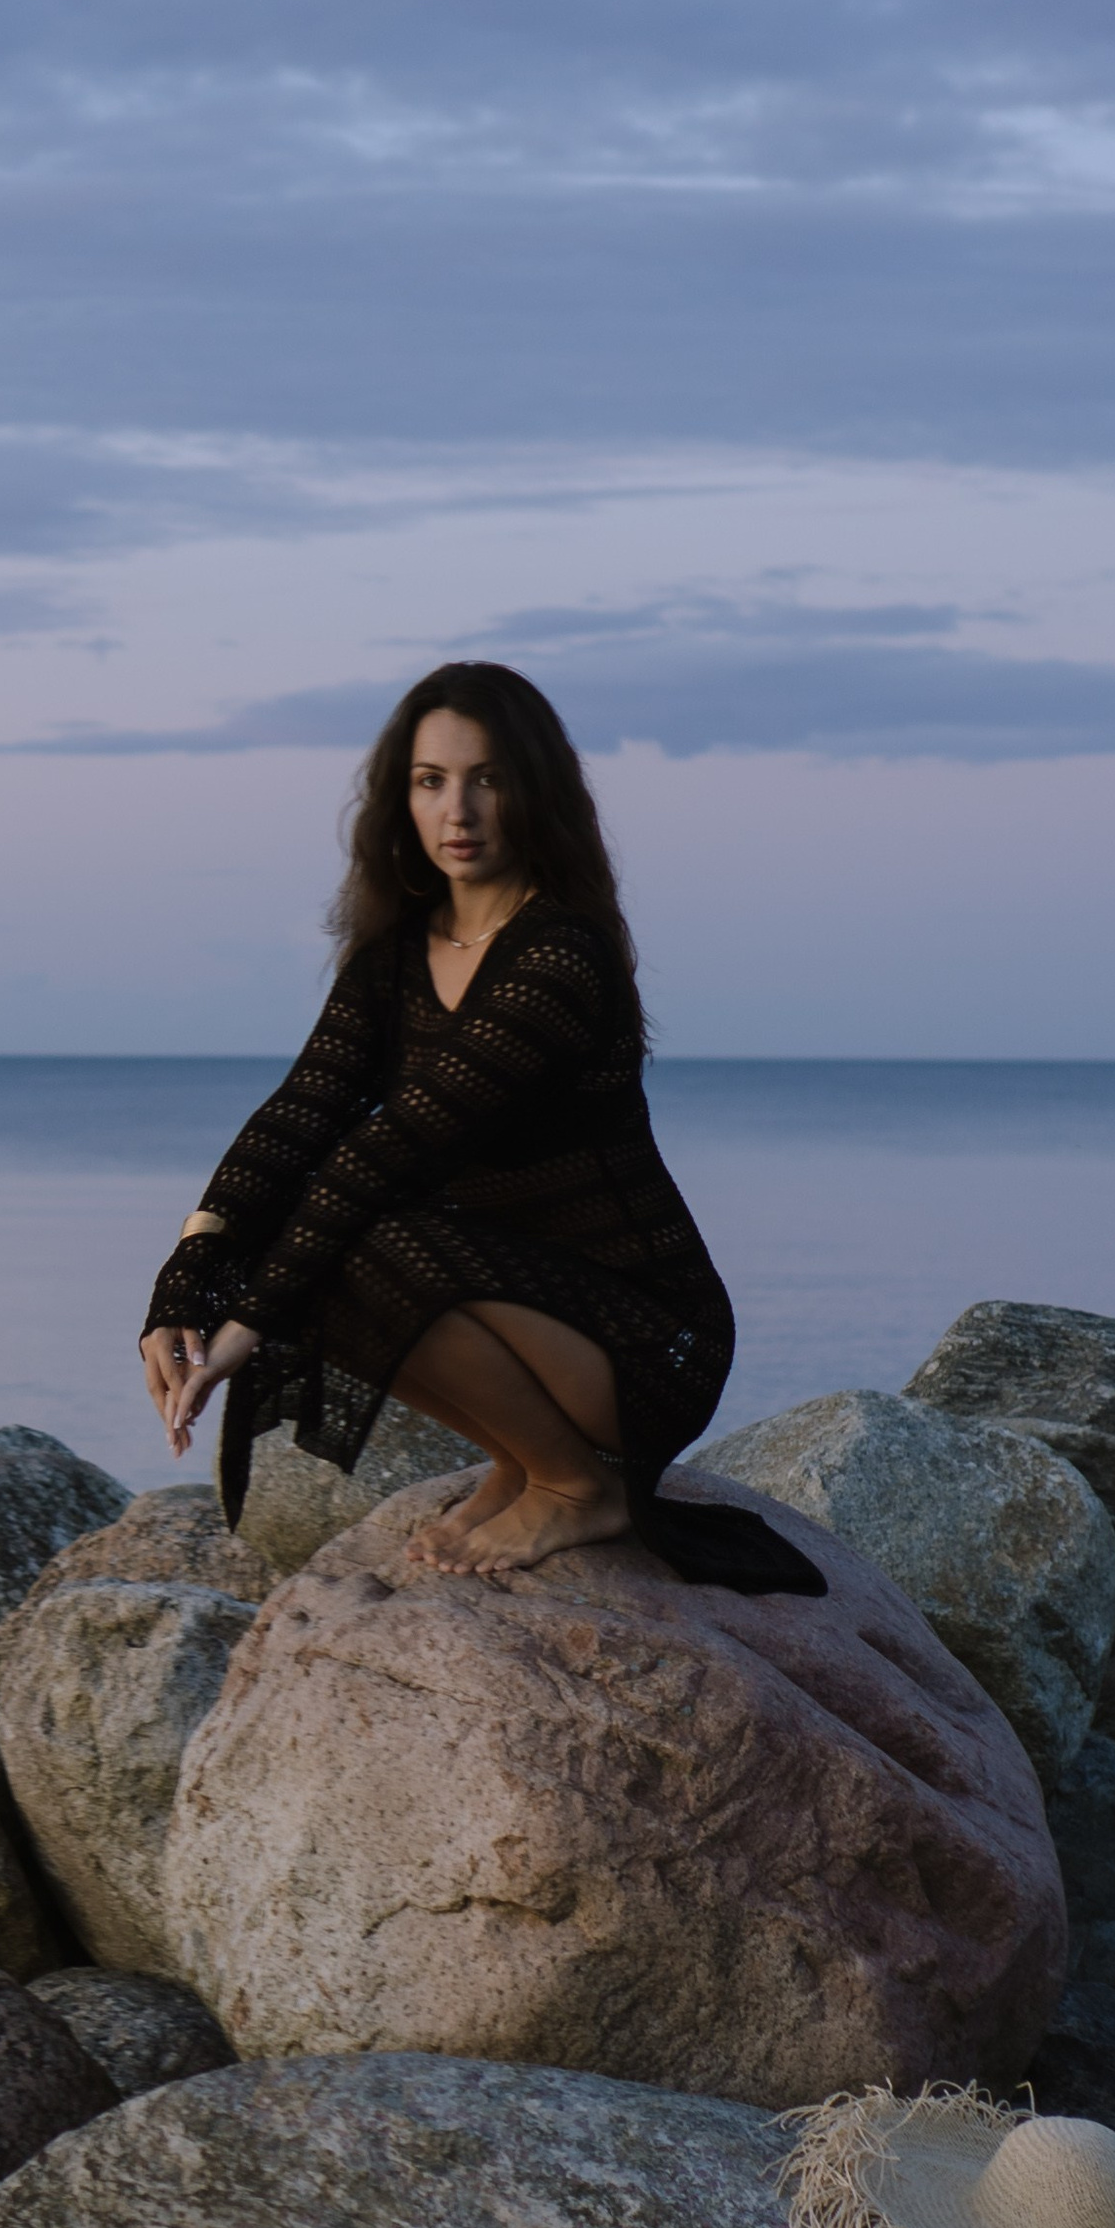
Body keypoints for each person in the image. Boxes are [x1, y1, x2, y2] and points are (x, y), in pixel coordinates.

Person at [139, 660, 822, 1593]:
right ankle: (523, 1456)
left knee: (360, 1242)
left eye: (488, 778)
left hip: (644, 1338)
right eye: (431, 781)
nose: (458, 810)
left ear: (535, 791)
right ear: (401, 799)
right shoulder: (394, 955)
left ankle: (577, 1483)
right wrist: (185, 1281)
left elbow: (393, 1146)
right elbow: (301, 1113)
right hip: (524, 1308)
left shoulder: (560, 955)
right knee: (330, 1239)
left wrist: (248, 1317)